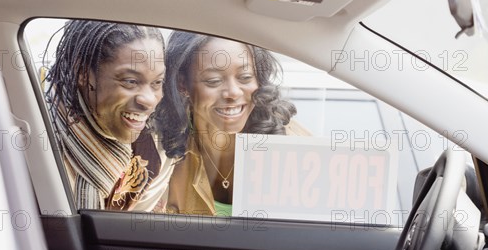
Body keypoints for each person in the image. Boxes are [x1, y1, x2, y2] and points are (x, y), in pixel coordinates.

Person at [155, 31, 304, 216]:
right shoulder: (161, 150)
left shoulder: (294, 144)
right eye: (213, 81)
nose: (233, 93)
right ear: (182, 83)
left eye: (245, 78)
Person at [44, 19, 171, 211]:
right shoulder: (41, 150)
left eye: (157, 82)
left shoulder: (152, 146)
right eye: (130, 81)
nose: (149, 100)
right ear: (84, 73)